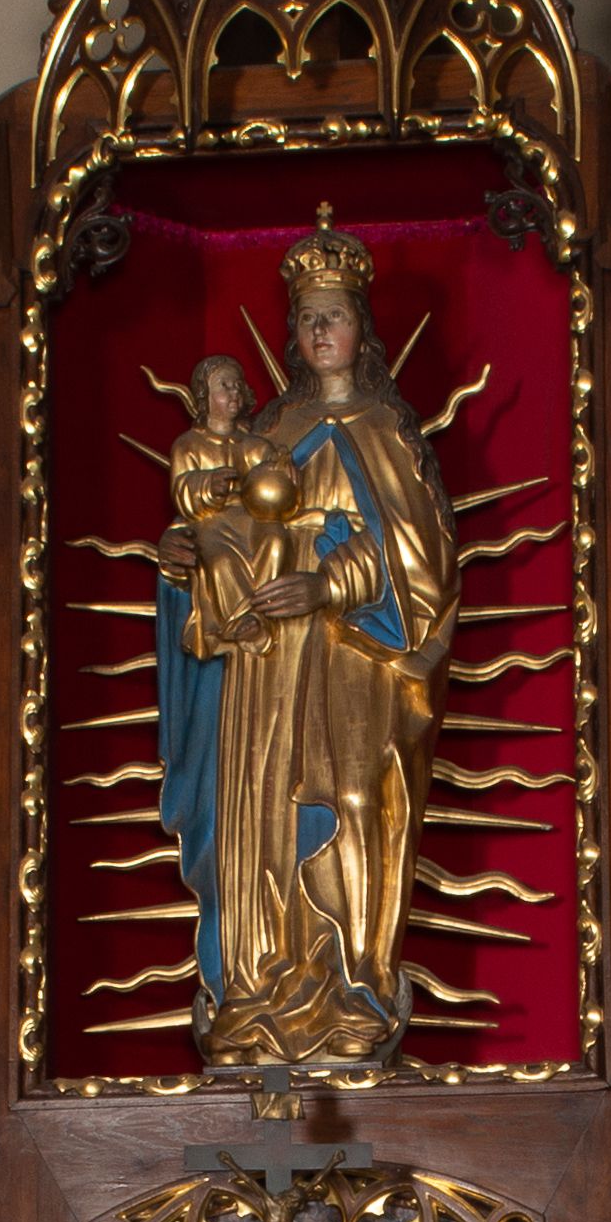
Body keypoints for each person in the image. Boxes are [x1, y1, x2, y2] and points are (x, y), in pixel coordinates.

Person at [154, 210, 457, 1076]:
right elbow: (228, 527)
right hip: (268, 663)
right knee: (263, 815)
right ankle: (258, 989)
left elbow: (423, 567)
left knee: (356, 804)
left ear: (363, 330)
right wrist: (182, 559)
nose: (322, 330)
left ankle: (358, 988)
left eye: (337, 315)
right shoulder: (268, 434)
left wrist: (329, 584)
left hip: (357, 657)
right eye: (309, 318)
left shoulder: (390, 433)